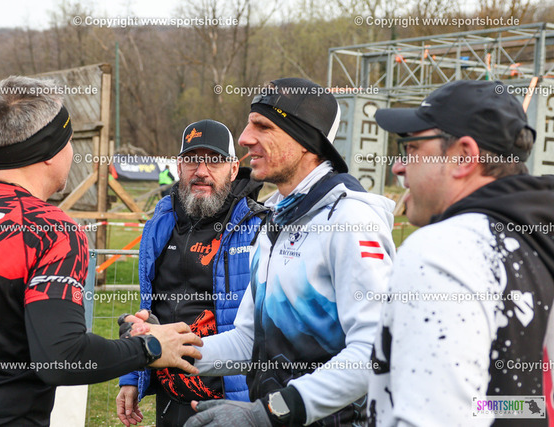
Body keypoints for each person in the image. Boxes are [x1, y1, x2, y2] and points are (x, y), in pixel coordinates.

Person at [0, 76, 202, 425]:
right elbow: (60, 357)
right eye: (69, 142)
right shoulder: (52, 231)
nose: (72, 153)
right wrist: (151, 347)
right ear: (51, 151)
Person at [175, 77, 396, 426]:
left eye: (262, 126)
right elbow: (248, 340)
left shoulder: (350, 219)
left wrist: (270, 413)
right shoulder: (276, 218)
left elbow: (375, 350)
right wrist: (165, 349)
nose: (244, 138)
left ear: (305, 140)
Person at [368, 80, 554, 425]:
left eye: (410, 148)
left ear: (464, 157)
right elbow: (531, 404)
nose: (398, 167)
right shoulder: (538, 238)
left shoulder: (441, 251)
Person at [116, 119, 267, 426]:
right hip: (171, 399)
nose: (201, 171)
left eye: (214, 161)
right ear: (179, 166)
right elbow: (148, 309)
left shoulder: (258, 228)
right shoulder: (160, 223)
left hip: (232, 403)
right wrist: (131, 376)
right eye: (192, 160)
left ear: (233, 169)